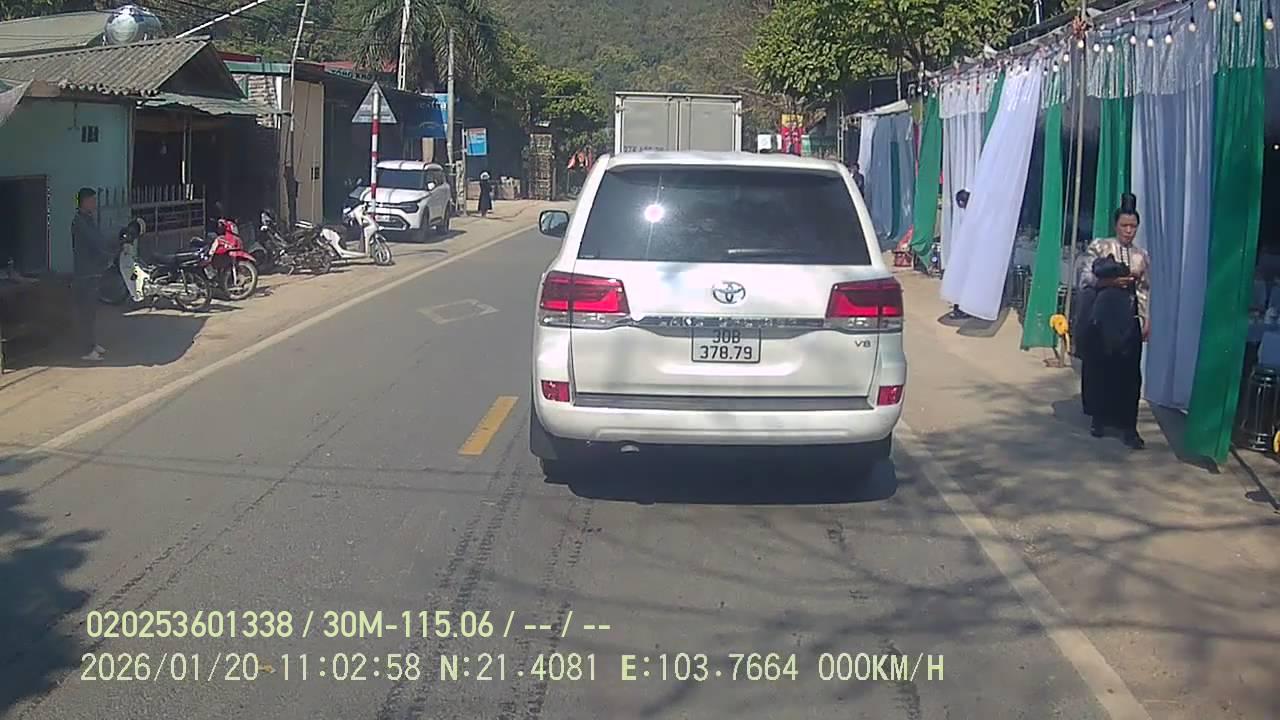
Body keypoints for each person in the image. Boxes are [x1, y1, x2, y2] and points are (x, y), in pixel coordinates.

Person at [1078, 193, 1150, 450]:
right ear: (1116, 225)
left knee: (1130, 374)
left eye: (1133, 226)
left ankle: (1129, 427)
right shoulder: (1101, 246)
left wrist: (1146, 319)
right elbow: (1085, 277)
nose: (1128, 231)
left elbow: (1144, 290)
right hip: (1104, 314)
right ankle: (1099, 419)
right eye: (1124, 225)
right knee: (1102, 368)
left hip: (1129, 317)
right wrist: (1111, 281)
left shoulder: (1141, 255)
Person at [71, 187, 113, 361]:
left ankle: (92, 343)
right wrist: (107, 255)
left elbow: (99, 240)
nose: (95, 203)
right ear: (84, 202)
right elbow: (94, 242)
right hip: (85, 273)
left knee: (92, 312)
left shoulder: (88, 219)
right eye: (92, 200)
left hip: (93, 271)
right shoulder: (79, 222)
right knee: (86, 313)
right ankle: (86, 350)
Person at [947, 190, 973, 320]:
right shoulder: (969, 214)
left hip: (967, 255)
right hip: (966, 255)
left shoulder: (970, 215)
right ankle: (960, 308)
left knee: (962, 282)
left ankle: (962, 309)